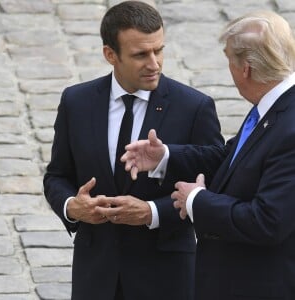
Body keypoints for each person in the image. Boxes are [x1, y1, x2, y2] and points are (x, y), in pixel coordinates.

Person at [43, 1, 224, 299]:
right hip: (96, 277)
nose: (154, 63)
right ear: (110, 55)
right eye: (140, 54)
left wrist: (151, 212)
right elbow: (57, 176)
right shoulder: (77, 102)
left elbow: (214, 187)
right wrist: (71, 207)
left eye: (159, 50)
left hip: (165, 278)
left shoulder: (194, 107)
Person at [122, 10, 295, 300]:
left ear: (246, 69)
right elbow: (233, 161)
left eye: (229, 59)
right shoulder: (274, 108)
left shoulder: (290, 127)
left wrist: (197, 201)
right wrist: (165, 156)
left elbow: (268, 221)